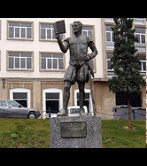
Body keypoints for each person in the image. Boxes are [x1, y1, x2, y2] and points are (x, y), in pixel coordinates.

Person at [55, 21, 98, 116]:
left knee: (81, 88)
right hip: (72, 64)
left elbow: (95, 51)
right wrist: (58, 39)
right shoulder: (69, 39)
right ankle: (64, 109)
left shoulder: (87, 38)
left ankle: (81, 109)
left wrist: (90, 57)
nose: (74, 27)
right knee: (66, 86)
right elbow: (64, 50)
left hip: (82, 64)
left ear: (80, 27)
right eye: (73, 26)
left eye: (76, 26)